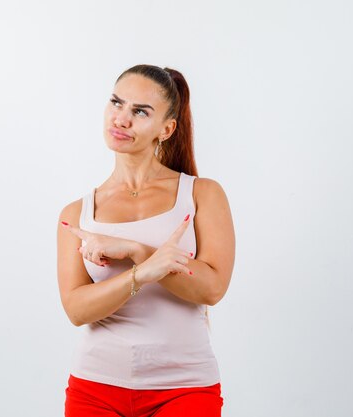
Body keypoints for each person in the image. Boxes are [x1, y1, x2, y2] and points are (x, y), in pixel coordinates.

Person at [56, 64, 235, 417]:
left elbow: (212, 288)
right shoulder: (78, 212)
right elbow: (76, 310)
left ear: (166, 129)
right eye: (116, 103)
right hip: (95, 388)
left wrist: (138, 252)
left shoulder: (202, 194)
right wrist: (140, 274)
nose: (121, 119)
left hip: (185, 388)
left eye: (140, 111)